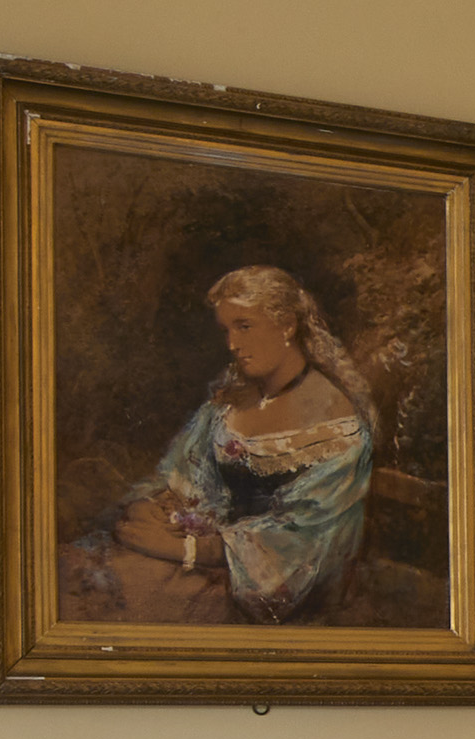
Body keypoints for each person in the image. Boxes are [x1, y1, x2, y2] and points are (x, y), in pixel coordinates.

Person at [74, 267, 379, 623]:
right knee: (86, 575)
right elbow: (184, 476)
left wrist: (187, 549)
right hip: (199, 562)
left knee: (120, 597)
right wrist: (156, 508)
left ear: (287, 326)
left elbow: (305, 544)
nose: (232, 344)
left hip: (263, 590)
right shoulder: (230, 402)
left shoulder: (335, 423)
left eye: (244, 326)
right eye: (227, 330)